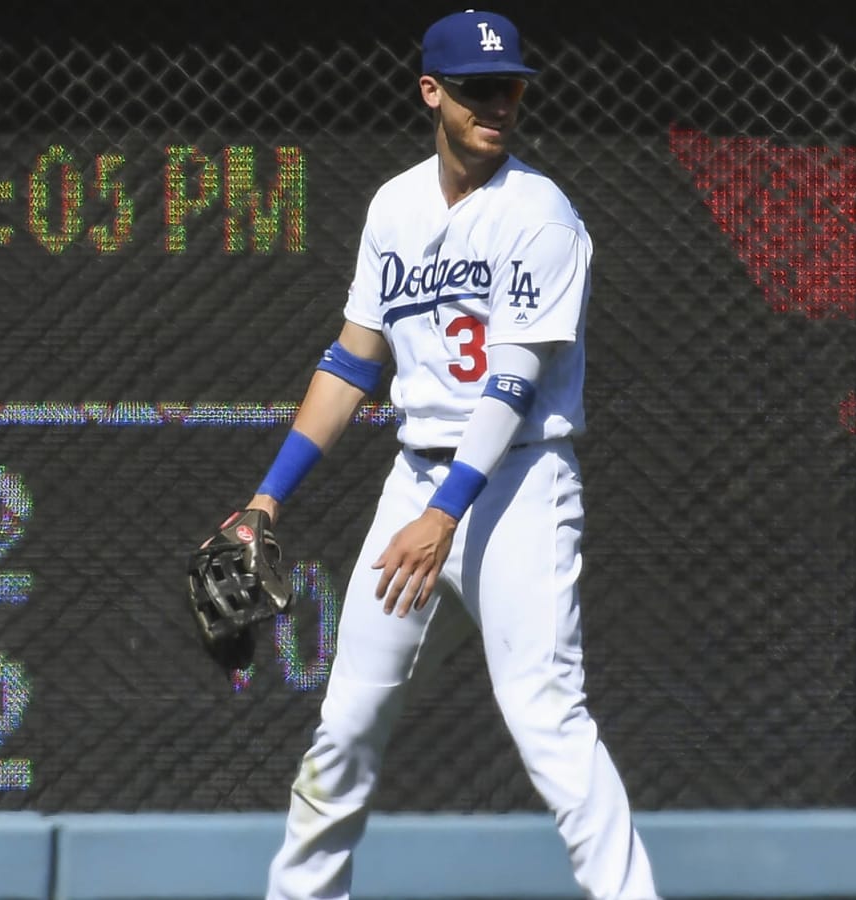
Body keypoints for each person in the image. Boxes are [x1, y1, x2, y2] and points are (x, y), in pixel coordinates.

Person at [225, 11, 658, 899]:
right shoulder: (394, 204)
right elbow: (350, 362)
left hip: (518, 487)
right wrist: (267, 499)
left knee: (547, 719)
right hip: (416, 481)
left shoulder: (541, 214)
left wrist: (444, 512)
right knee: (346, 723)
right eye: (478, 90)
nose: (500, 104)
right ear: (433, 92)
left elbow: (513, 385)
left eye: (511, 88)